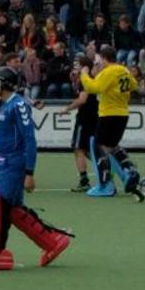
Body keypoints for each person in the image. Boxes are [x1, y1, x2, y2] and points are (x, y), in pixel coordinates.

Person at [0, 66, 72, 271]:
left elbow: (29, 139)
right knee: (13, 209)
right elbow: (1, 137)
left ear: (6, 84)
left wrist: (29, 172)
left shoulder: (19, 105)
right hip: (4, 161)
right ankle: (52, 241)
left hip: (15, 162)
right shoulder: (1, 104)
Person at [80, 45, 145, 200]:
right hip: (122, 114)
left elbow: (94, 87)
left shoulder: (109, 71)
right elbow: (134, 85)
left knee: (97, 146)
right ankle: (129, 171)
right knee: (112, 147)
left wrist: (84, 75)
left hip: (109, 113)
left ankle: (105, 186)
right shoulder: (124, 70)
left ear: (104, 58)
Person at [57, 56, 99, 193]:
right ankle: (105, 166)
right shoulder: (86, 79)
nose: (75, 66)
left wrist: (67, 108)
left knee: (78, 148)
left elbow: (82, 100)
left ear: (84, 66)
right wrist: (75, 81)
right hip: (92, 116)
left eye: (78, 64)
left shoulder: (86, 79)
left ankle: (84, 180)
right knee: (87, 149)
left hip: (85, 117)